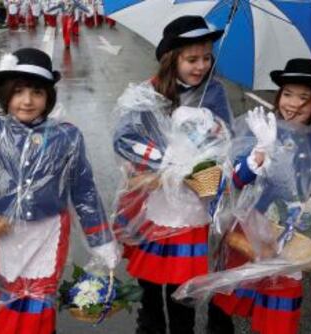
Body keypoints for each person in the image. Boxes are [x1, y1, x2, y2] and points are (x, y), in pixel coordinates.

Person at [0, 47, 120, 334]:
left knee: (35, 309)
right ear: (5, 95)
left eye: (37, 92)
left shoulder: (67, 136)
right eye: (18, 92)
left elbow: (84, 191)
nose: (27, 101)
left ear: (48, 97)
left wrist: (101, 240)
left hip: (45, 235)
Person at [112, 16, 232, 334]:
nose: (201, 66)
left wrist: (212, 135)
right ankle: (149, 324)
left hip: (190, 205)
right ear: (171, 58)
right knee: (150, 280)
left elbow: (224, 145)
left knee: (183, 284)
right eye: (192, 59)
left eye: (207, 58)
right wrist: (168, 162)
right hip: (151, 200)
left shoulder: (214, 93)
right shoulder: (146, 94)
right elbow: (124, 139)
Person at [208, 58, 311, 334]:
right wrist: (260, 151)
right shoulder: (257, 128)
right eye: (288, 93)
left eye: (304, 97)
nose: (293, 103)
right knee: (222, 306)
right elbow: (232, 182)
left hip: (288, 247)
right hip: (245, 237)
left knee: (277, 321)